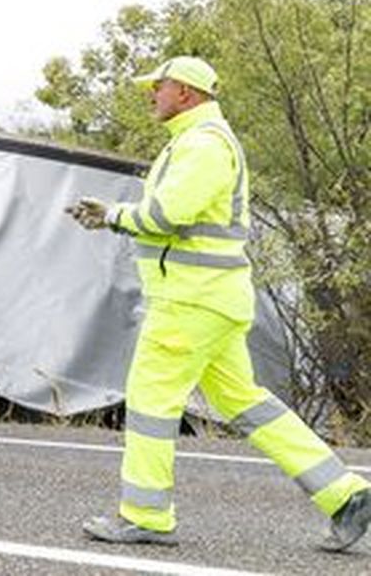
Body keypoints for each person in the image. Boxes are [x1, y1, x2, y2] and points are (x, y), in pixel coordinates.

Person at [68, 56, 371, 552]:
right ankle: (347, 496)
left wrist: (114, 216)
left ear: (185, 92)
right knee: (245, 403)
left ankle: (146, 516)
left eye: (159, 86)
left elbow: (169, 214)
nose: (152, 94)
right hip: (211, 301)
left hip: (189, 302)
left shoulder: (203, 145)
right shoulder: (198, 142)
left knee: (150, 401)